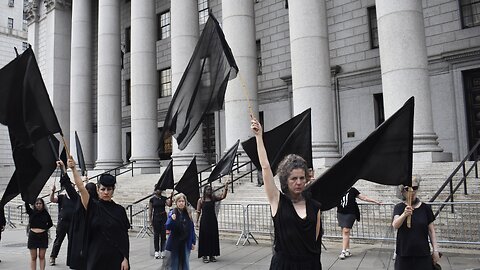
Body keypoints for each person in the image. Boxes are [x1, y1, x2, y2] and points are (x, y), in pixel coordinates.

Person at [250, 117, 322, 270]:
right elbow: (265, 167)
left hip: (309, 265)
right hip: (283, 265)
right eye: (293, 178)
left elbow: (315, 244)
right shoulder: (277, 201)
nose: (298, 182)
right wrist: (259, 137)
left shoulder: (315, 207)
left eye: (302, 178)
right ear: (285, 180)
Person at [67, 157, 130, 270]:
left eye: (109, 189)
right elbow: (81, 188)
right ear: (98, 189)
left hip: (115, 258)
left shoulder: (119, 210)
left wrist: (125, 258)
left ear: (113, 190)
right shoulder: (93, 206)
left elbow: (124, 237)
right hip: (95, 257)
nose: (106, 192)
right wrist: (73, 169)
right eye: (103, 189)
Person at [392, 176, 440, 270]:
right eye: (408, 189)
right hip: (404, 254)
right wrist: (404, 215)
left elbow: (431, 231)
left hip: (422, 253)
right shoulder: (399, 207)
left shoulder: (425, 208)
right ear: (402, 191)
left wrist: (435, 250)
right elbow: (395, 225)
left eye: (415, 188)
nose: (412, 192)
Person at [336, 187, 381, 259]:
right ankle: (347, 250)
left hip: (350, 213)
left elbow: (363, 198)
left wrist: (375, 201)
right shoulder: (339, 190)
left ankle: (343, 251)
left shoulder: (353, 190)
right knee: (344, 231)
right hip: (340, 213)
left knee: (346, 231)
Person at [49, 170, 77, 266]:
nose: (71, 188)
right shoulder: (61, 197)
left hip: (72, 223)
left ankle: (72, 258)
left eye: (72, 186)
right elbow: (52, 199)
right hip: (62, 222)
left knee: (72, 242)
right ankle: (53, 257)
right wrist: (52, 191)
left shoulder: (76, 198)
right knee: (58, 240)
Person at [196, 182, 228, 263]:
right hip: (204, 221)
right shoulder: (201, 200)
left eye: (210, 190)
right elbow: (198, 211)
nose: (209, 191)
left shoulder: (213, 198)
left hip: (212, 220)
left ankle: (212, 255)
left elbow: (223, 196)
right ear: (204, 191)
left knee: (212, 237)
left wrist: (226, 187)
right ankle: (204, 255)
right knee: (205, 237)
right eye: (208, 190)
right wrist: (196, 222)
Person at [165, 193, 196, 270]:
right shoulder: (173, 212)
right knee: (174, 263)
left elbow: (191, 228)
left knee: (185, 262)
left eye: (182, 201)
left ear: (185, 202)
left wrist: (193, 241)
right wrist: (172, 219)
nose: (181, 203)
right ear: (176, 202)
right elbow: (167, 226)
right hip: (175, 242)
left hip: (185, 241)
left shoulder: (188, 213)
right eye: (179, 201)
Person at [25, 198, 53, 270]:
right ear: (34, 205)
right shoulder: (31, 212)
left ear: (43, 205)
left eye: (40, 203)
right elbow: (26, 205)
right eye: (37, 204)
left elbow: (50, 223)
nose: (38, 205)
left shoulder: (45, 213)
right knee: (33, 257)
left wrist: (44, 228)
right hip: (33, 236)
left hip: (43, 236)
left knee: (42, 256)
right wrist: (27, 197)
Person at [148, 185, 173, 259]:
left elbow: (169, 204)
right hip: (156, 217)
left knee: (163, 234)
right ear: (155, 190)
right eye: (157, 189)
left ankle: (163, 250)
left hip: (163, 217)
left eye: (160, 189)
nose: (158, 191)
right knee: (156, 235)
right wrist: (150, 220)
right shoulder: (152, 199)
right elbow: (150, 210)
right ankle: (156, 251)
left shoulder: (164, 198)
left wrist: (171, 197)